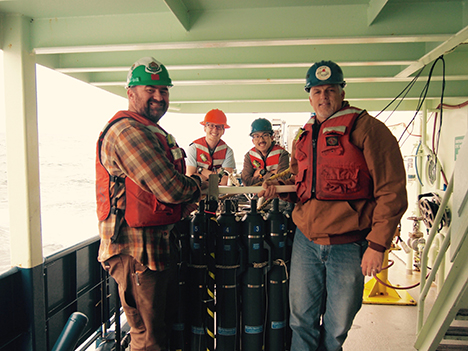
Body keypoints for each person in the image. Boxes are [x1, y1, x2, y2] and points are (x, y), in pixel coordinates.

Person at [260, 60, 408, 351]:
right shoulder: (305, 134)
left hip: (349, 244)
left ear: (342, 92)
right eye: (317, 91)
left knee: (337, 327)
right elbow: (299, 180)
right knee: (300, 321)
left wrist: (378, 245)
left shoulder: (368, 129)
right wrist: (277, 186)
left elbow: (392, 189)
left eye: (330, 89)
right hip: (306, 241)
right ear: (309, 95)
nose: (323, 97)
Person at [95, 57, 205, 351]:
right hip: (136, 254)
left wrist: (187, 191)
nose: (159, 97)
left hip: (155, 249)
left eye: (164, 91)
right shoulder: (127, 132)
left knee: (161, 329)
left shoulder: (149, 130)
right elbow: (169, 187)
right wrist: (199, 186)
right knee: (147, 338)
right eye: (149, 89)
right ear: (131, 93)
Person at [186, 109, 235, 185]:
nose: (215, 130)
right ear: (205, 128)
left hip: (220, 194)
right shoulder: (193, 148)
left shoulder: (228, 151)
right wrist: (217, 175)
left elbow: (225, 180)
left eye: (218, 127)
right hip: (198, 194)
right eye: (211, 125)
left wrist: (201, 171)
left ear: (223, 131)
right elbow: (190, 177)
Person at [241, 118, 290, 186]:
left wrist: (261, 173)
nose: (261, 140)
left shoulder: (282, 154)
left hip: (276, 195)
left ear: (272, 138)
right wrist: (273, 175)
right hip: (257, 195)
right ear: (253, 141)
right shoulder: (249, 156)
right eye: (257, 136)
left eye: (265, 135)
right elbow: (246, 182)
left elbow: (282, 180)